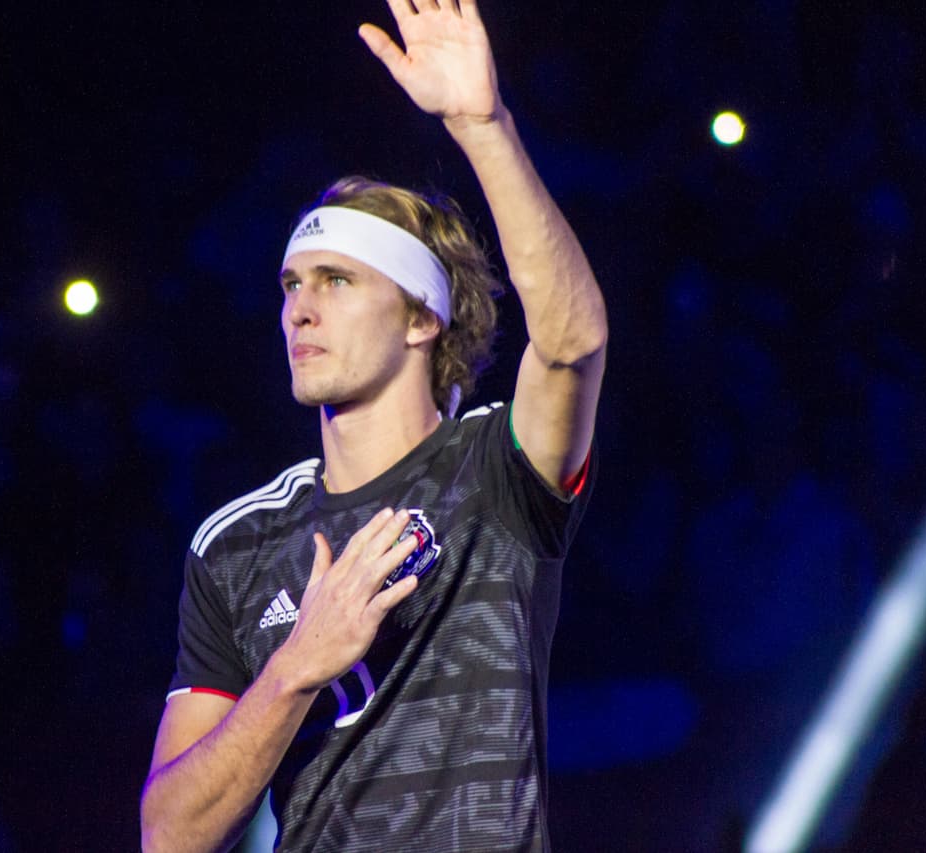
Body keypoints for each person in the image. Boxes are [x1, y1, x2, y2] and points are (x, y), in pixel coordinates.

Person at [141, 1, 607, 850]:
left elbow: (573, 342)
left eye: (336, 281)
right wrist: (296, 666)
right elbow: (169, 835)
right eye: (290, 284)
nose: (299, 309)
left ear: (422, 317)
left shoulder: (496, 468)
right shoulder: (237, 543)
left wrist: (483, 127)